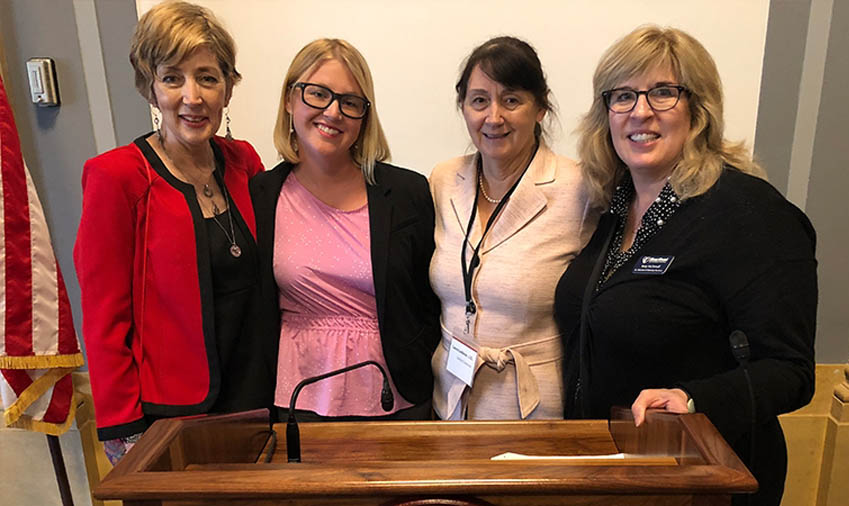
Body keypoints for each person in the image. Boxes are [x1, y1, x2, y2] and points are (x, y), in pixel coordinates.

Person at [554, 26, 816, 505]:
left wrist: (693, 399)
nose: (641, 111)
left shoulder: (752, 214)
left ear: (699, 108)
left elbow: (790, 371)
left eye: (663, 93)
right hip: (617, 472)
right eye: (623, 96)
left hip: (703, 477)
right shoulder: (613, 209)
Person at [73, 1, 272, 464]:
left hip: (257, 402)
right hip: (169, 416)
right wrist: (123, 426)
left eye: (207, 77)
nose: (192, 96)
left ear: (227, 87)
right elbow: (105, 316)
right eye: (172, 77)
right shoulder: (117, 176)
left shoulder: (244, 161)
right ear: (149, 86)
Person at [250, 39, 440, 422]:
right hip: (296, 401)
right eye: (318, 94)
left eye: (350, 102)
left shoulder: (408, 193)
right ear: (290, 99)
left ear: (364, 116)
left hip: (396, 398)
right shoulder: (260, 195)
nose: (333, 112)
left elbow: (429, 300)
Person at [430, 37, 598, 420]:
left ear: (540, 107)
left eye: (511, 100)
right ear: (463, 107)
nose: (493, 117)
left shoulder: (579, 188)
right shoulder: (443, 181)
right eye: (479, 100)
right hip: (450, 400)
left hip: (534, 409)